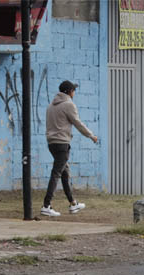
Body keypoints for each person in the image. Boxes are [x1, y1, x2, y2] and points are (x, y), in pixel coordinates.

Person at [42, 80, 98, 217]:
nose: (74, 93)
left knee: (64, 172)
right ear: (68, 91)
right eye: (73, 90)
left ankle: (73, 204)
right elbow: (77, 123)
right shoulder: (69, 105)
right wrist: (91, 136)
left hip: (52, 143)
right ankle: (46, 206)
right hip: (62, 143)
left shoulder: (51, 106)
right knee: (56, 173)